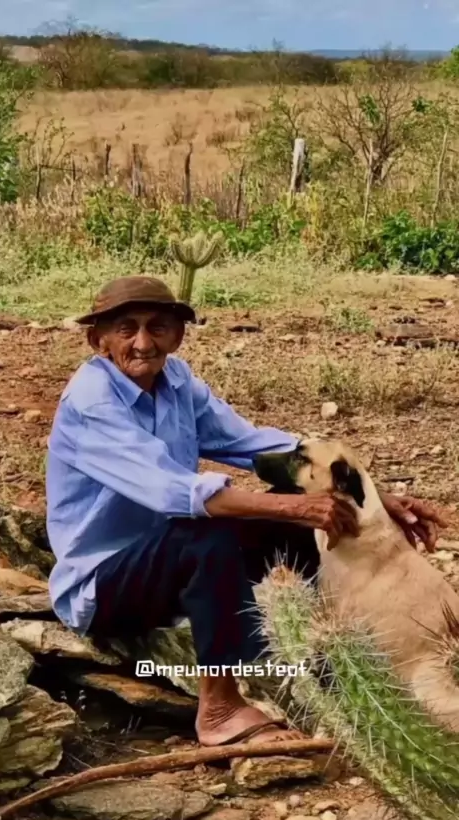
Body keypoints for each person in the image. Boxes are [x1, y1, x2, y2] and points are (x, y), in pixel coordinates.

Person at [46, 275, 447, 747]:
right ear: (98, 340)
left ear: (177, 335)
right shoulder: (91, 401)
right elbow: (176, 491)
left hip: (168, 562)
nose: (143, 342)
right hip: (106, 585)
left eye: (157, 327)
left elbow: (249, 443)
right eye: (126, 329)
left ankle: (334, 654)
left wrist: (368, 498)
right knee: (213, 533)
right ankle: (219, 708)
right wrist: (294, 506)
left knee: (306, 513)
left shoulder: (176, 381)